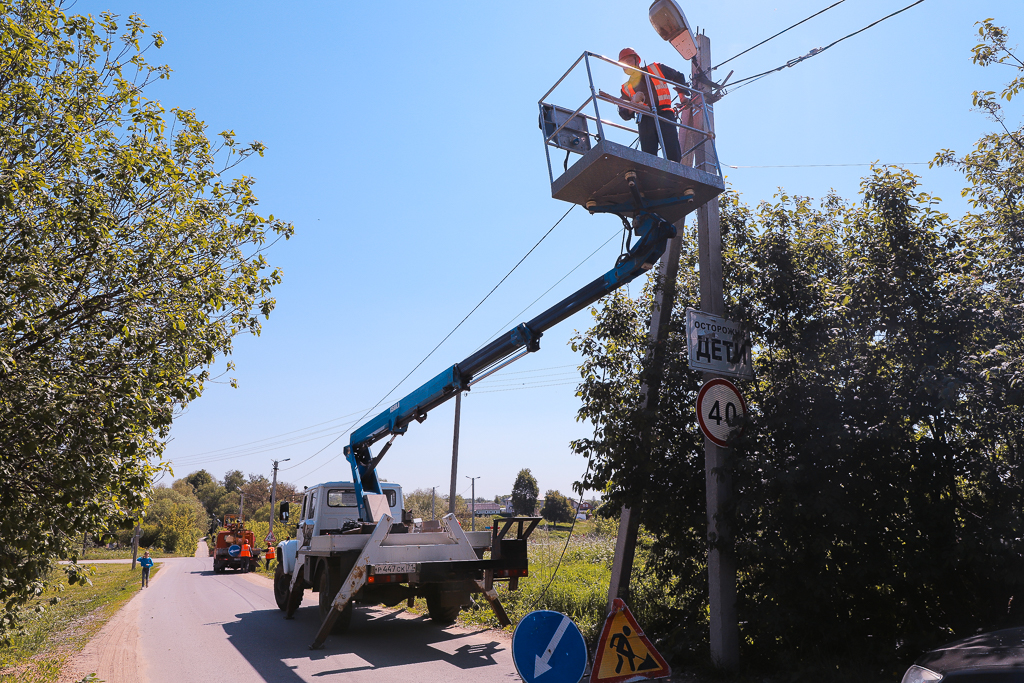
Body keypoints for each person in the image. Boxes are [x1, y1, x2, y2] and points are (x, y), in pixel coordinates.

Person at [616, 47, 686, 163]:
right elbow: (623, 113)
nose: (626, 65)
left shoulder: (655, 68)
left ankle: (675, 173)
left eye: (628, 61)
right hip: (645, 120)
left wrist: (682, 96)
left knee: (672, 151)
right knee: (648, 156)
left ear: (637, 60)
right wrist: (632, 103)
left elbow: (678, 76)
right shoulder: (626, 88)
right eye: (623, 64)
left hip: (665, 114)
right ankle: (652, 178)